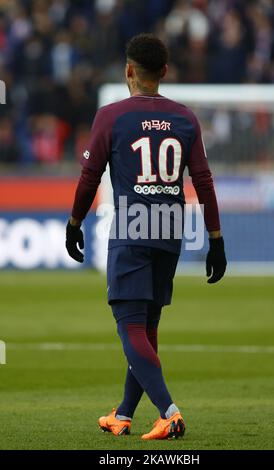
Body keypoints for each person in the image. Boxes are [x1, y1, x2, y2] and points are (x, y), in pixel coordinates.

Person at [66, 33, 227, 440]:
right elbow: (203, 180)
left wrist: (74, 223)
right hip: (171, 228)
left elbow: (89, 177)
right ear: (165, 72)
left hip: (133, 224)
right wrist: (216, 238)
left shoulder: (111, 116)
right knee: (147, 325)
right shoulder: (185, 118)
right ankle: (122, 414)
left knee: (129, 325)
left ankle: (169, 412)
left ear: (129, 71)